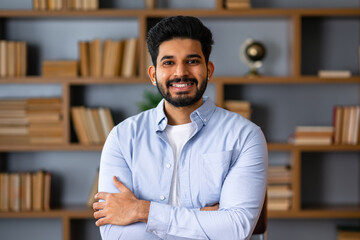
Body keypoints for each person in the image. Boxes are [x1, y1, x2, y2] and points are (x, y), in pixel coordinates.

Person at [93, 15, 268, 240]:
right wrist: (204, 220)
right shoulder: (122, 137)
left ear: (209, 70)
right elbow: (114, 233)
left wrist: (141, 211)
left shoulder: (245, 136)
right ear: (153, 75)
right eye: (168, 62)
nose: (180, 72)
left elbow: (235, 229)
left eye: (192, 61)